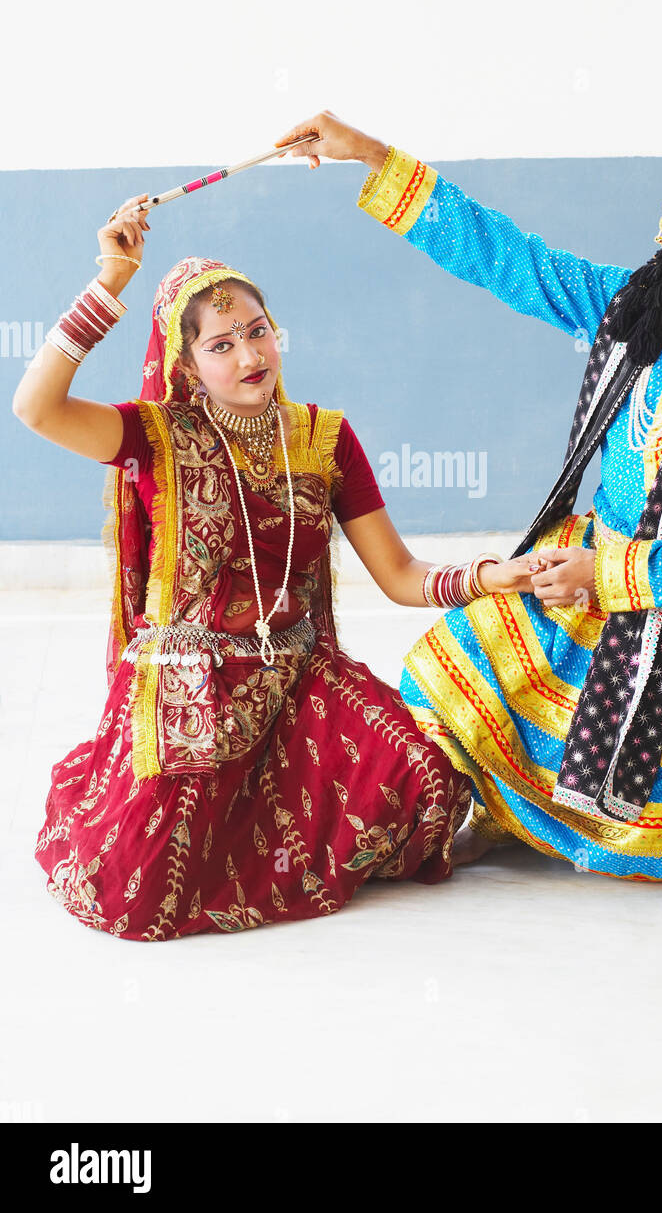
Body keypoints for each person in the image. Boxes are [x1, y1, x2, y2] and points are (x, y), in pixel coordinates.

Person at [273, 0, 662, 882]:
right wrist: (372, 157)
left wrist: (613, 574)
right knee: (451, 682)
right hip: (586, 569)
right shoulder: (643, 306)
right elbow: (511, 260)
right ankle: (449, 811)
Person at [13, 194, 544, 940]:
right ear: (186, 364)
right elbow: (36, 408)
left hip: (298, 676)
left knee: (425, 787)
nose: (250, 356)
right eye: (221, 345)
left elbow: (399, 575)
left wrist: (491, 577)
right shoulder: (156, 435)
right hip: (194, 685)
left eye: (258, 331)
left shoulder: (324, 438)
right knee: (139, 890)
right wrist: (110, 281)